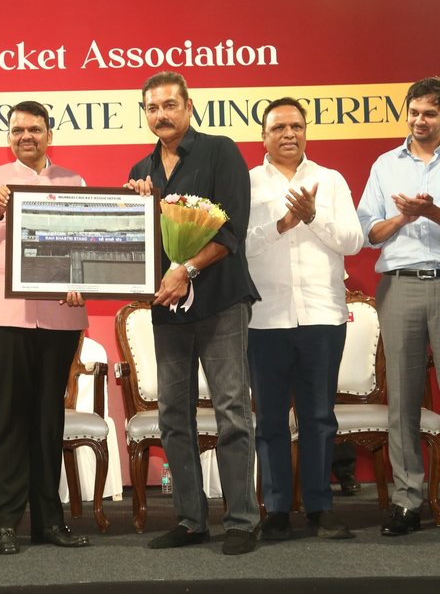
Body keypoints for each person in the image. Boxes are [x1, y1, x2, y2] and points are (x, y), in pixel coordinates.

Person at [126, 72, 260, 555]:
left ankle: (243, 520)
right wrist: (137, 210)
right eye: (151, 108)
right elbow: (138, 246)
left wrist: (186, 269)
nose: (160, 115)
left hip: (221, 300)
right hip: (169, 310)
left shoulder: (221, 151)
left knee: (231, 412)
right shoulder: (142, 169)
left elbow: (232, 230)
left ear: (188, 106)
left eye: (168, 105)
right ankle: (190, 520)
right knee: (173, 417)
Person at [0, 100, 90, 555]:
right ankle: (7, 522)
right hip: (2, 318)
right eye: (17, 130)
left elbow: (86, 247)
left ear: (50, 134)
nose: (26, 136)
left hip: (60, 317)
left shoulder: (75, 182)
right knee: (10, 416)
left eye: (35, 128)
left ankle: (49, 521)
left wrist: (82, 282)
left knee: (49, 419)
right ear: (9, 136)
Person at [245, 97, 363, 541]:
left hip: (321, 314)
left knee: (318, 417)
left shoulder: (329, 181)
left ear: (306, 132)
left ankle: (319, 506)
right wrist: (283, 222)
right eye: (278, 128)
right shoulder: (249, 182)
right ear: (264, 136)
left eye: (296, 126)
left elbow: (352, 241)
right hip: (265, 317)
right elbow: (239, 246)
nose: (288, 134)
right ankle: (276, 509)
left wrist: (313, 219)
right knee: (271, 419)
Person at [357, 76, 440, 536]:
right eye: (413, 112)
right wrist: (404, 217)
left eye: (429, 113)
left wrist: (431, 214)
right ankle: (408, 501)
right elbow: (366, 230)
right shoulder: (386, 164)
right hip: (400, 285)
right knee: (402, 401)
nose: (419, 120)